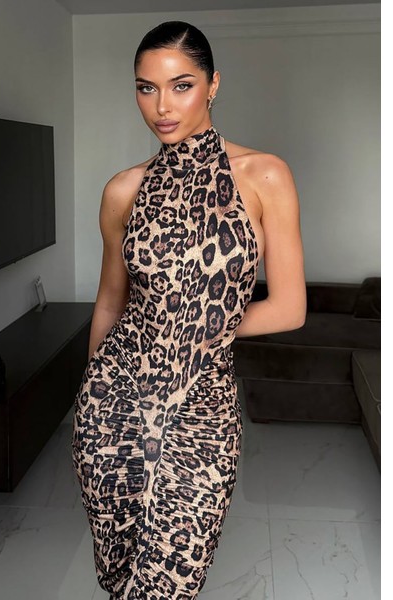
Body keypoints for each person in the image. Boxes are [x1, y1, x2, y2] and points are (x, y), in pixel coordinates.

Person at [72, 20, 306, 600]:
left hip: (203, 406)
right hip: (114, 404)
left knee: (171, 579)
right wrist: (89, 392)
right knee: (121, 575)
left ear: (213, 84)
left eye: (181, 85)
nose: (162, 106)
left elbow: (289, 308)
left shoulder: (264, 175)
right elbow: (111, 301)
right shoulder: (123, 190)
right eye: (146, 88)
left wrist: (196, 332)